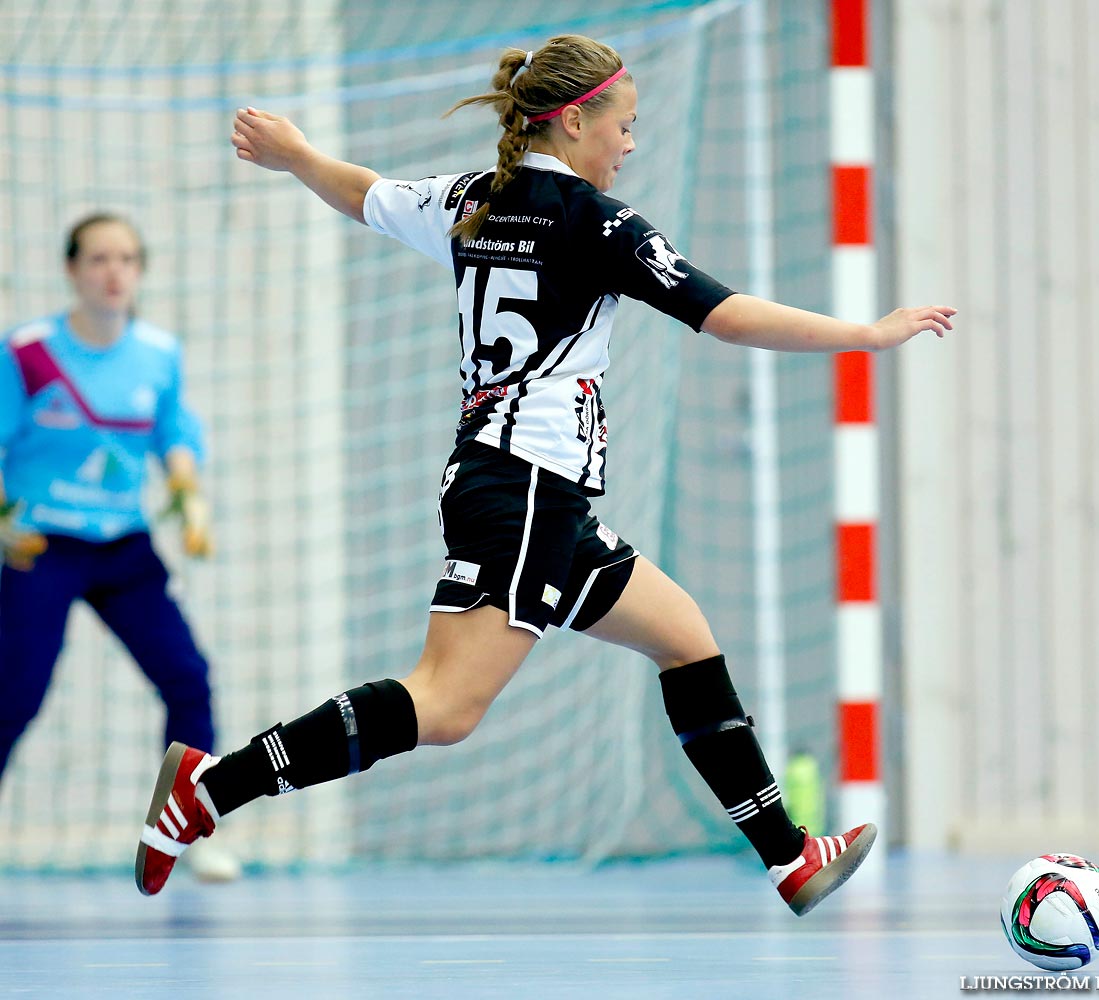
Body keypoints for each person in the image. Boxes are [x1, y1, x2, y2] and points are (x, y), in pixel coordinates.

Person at [136, 35, 955, 913]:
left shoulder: (472, 199)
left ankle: (787, 855)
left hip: (525, 489)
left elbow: (366, 195)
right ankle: (209, 790)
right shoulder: (599, 223)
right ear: (573, 121)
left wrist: (298, 156)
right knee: (445, 706)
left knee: (681, 635)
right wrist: (865, 335)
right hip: (525, 485)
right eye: (624, 125)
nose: (630, 144)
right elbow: (721, 313)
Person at [0, 213, 239, 882]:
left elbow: (173, 431)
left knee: (187, 678)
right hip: (42, 545)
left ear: (139, 272)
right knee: (15, 694)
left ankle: (191, 832)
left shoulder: (158, 353)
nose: (114, 272)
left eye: (127, 259)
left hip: (122, 548)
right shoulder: (27, 351)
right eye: (99, 258)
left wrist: (189, 497)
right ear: (72, 270)